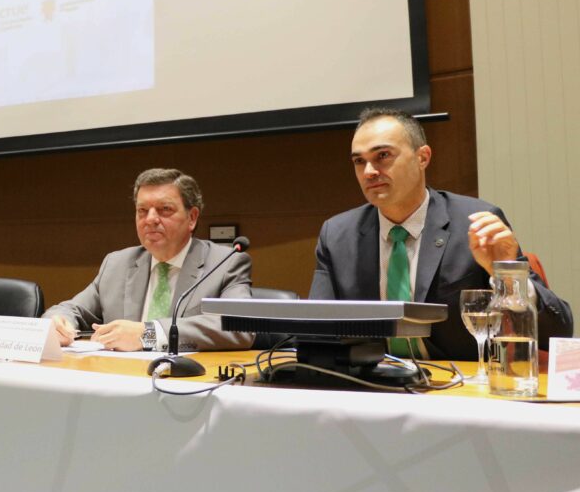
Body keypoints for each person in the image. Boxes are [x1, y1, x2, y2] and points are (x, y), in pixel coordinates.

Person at [310, 107, 573, 359]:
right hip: (372, 380)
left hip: (460, 380)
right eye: (359, 161)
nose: (369, 172)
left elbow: (558, 330)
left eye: (383, 156)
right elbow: (315, 331)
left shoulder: (476, 223)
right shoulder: (338, 236)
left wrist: (505, 275)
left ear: (422, 157)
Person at [43, 168, 252, 352]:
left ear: (192, 218)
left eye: (165, 209)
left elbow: (240, 326)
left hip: (187, 378)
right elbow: (72, 309)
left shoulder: (225, 263)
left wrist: (148, 334)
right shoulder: (117, 264)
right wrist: (58, 322)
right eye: (142, 211)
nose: (150, 219)